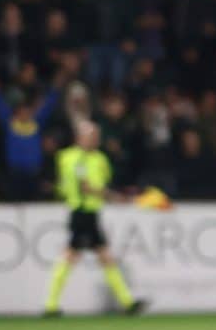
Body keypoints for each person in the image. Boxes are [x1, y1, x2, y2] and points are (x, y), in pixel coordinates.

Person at [43, 118, 147, 317]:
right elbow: (86, 187)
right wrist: (114, 197)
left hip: (91, 213)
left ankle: (127, 303)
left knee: (102, 257)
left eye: (96, 136)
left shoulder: (98, 158)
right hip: (82, 212)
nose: (95, 139)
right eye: (91, 136)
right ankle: (51, 305)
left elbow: (103, 180)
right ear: (80, 137)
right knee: (76, 256)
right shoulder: (74, 158)